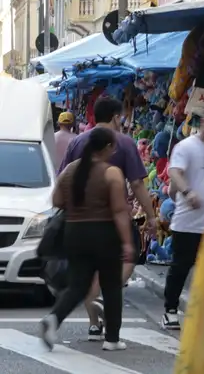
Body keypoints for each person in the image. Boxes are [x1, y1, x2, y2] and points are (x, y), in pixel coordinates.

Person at [58, 96, 156, 341]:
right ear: (115, 116)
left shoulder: (78, 140)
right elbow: (136, 183)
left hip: (78, 218)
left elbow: (63, 178)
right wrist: (151, 215)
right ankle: (104, 302)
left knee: (90, 271)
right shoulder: (123, 142)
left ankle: (93, 324)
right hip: (112, 217)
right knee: (128, 255)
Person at [41, 127, 134, 351]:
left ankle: (53, 318)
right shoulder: (112, 173)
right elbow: (120, 211)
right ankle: (112, 339)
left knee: (78, 285)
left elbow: (56, 200)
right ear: (108, 147)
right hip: (104, 233)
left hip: (74, 233)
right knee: (111, 285)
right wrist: (127, 242)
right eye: (114, 147)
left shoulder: (71, 170)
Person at [162, 106, 204, 330]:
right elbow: (175, 173)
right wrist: (188, 192)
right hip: (187, 222)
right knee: (180, 268)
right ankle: (170, 310)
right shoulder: (186, 147)